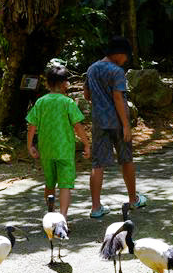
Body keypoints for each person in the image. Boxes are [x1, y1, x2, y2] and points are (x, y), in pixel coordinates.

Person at [84, 36, 147, 218]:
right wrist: (126, 125)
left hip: (99, 122)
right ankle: (133, 200)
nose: (126, 60)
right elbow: (118, 98)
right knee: (126, 159)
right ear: (119, 54)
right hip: (117, 122)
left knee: (98, 164)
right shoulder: (117, 71)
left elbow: (87, 94)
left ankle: (96, 208)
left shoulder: (92, 68)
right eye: (126, 56)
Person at [27, 65, 91, 218]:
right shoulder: (67, 103)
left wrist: (30, 145)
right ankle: (62, 217)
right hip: (64, 150)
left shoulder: (41, 102)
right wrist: (87, 144)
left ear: (48, 84)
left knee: (49, 183)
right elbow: (78, 126)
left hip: (47, 150)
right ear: (64, 84)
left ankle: (50, 215)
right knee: (64, 185)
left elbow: (32, 125)